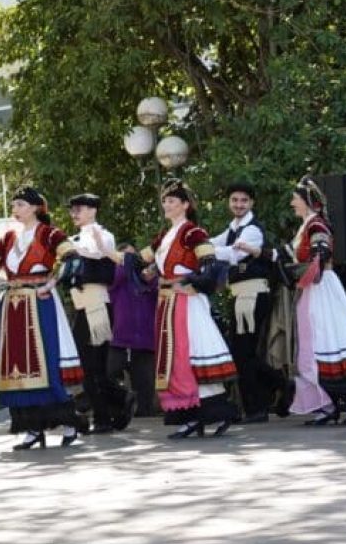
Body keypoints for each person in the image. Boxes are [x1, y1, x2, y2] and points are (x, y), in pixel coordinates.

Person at [0, 186, 84, 450]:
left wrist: (51, 285)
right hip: (13, 307)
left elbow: (72, 258)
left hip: (40, 304)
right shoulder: (8, 238)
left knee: (46, 360)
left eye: (20, 205)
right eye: (14, 205)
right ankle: (32, 427)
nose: (15, 210)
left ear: (36, 207)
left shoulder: (50, 234)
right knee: (18, 366)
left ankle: (69, 422)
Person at [144, 180, 238, 438]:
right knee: (176, 359)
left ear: (185, 205)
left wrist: (193, 283)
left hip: (186, 303)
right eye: (165, 200)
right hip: (167, 303)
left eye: (172, 200)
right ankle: (191, 416)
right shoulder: (164, 236)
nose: (166, 204)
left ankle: (212, 412)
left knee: (192, 354)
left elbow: (210, 263)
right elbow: (141, 261)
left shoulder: (192, 232)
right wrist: (105, 249)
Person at [286, 176, 346, 425]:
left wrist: (316, 258)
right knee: (313, 344)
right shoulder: (307, 225)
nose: (292, 202)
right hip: (311, 289)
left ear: (307, 201)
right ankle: (325, 403)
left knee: (327, 341)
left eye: (295, 198)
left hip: (321, 288)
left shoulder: (317, 225)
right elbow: (290, 252)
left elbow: (321, 249)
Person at [210, 181, 290, 422]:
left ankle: (261, 402)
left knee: (243, 352)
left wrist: (205, 252)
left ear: (252, 203)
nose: (238, 204)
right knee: (241, 353)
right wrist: (199, 245)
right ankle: (267, 395)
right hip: (241, 296)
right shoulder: (233, 228)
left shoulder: (252, 230)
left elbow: (235, 254)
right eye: (234, 200)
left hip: (252, 295)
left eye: (243, 200)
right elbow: (216, 242)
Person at [65, 193, 132, 433]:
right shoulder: (75, 238)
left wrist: (70, 247)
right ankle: (116, 403)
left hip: (97, 306)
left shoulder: (103, 235)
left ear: (93, 210)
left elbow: (95, 252)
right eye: (72, 210)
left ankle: (105, 415)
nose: (74, 214)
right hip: (82, 304)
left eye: (79, 209)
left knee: (94, 364)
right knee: (88, 365)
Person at [105, 243, 157, 418]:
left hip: (145, 340)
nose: (129, 261)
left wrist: (150, 276)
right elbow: (115, 277)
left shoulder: (148, 279)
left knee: (145, 382)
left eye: (133, 257)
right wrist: (123, 264)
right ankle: (116, 410)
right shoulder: (115, 277)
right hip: (119, 338)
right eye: (124, 257)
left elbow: (157, 287)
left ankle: (145, 414)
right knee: (110, 374)